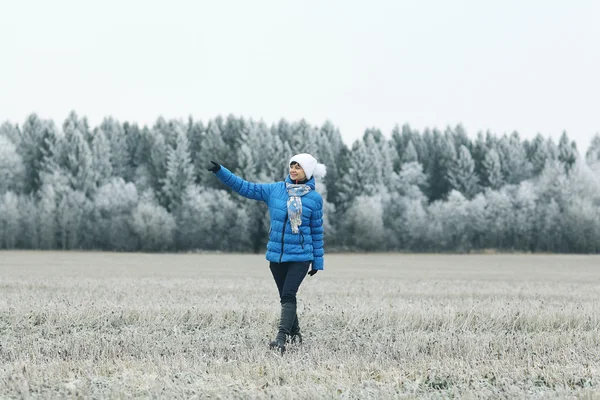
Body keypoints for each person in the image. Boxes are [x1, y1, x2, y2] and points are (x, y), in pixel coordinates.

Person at [208, 153, 326, 354]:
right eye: (291, 165)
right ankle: (295, 333)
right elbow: (245, 187)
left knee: (289, 294)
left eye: (298, 166)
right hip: (276, 257)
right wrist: (221, 171)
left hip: (300, 256)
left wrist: (317, 261)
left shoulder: (314, 199)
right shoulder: (275, 190)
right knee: (285, 297)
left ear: (307, 171)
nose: (293, 169)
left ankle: (281, 339)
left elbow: (316, 231)